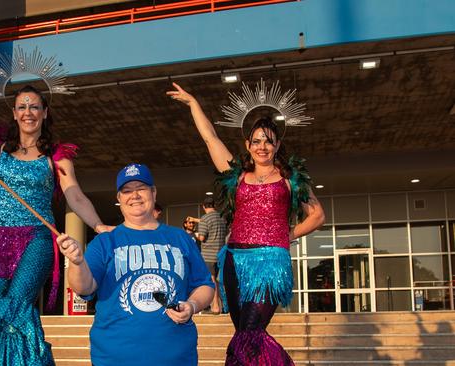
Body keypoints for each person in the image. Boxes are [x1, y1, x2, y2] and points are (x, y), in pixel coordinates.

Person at [0, 30, 112, 365]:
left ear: (44, 112)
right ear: (13, 113)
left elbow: (74, 195)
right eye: (22, 106)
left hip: (37, 238)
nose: (28, 112)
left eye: (35, 107)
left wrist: (99, 225)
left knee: (15, 301)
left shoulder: (56, 155)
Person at [168, 83, 324, 365]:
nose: (262, 147)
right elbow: (210, 138)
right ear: (247, 145)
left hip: (269, 262)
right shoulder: (237, 174)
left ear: (277, 144)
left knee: (250, 331)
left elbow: (317, 215)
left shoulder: (291, 178)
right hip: (234, 261)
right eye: (256, 141)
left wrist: (286, 235)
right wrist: (193, 103)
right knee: (243, 332)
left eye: (268, 141)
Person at [57, 163, 214, 366]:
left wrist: (192, 306)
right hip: (114, 357)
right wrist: (77, 261)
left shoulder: (180, 238)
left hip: (176, 357)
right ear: (119, 199)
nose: (135, 195)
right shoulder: (105, 242)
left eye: (141, 188)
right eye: (127, 191)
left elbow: (205, 285)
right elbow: (83, 288)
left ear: (154, 192)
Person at [195, 196, 226, 314]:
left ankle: (215, 306)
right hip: (222, 253)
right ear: (214, 205)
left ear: (203, 206)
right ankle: (223, 306)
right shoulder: (222, 217)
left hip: (208, 255)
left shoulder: (205, 218)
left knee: (212, 281)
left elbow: (202, 238)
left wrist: (195, 233)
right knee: (221, 281)